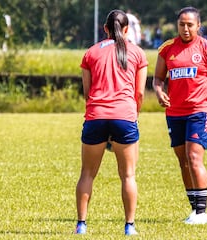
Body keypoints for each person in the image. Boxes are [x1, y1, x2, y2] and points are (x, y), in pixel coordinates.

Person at [153, 6, 207, 225]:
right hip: (174, 113)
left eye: (190, 25)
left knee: (194, 158)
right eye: (181, 24)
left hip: (199, 111)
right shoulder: (166, 49)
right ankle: (194, 210)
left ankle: (202, 213)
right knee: (183, 161)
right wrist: (159, 91)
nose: (185, 29)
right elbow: (157, 79)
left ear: (198, 26)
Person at [75, 9, 148, 235]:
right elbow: (140, 94)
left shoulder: (91, 52)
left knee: (87, 173)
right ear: (127, 29)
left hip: (96, 116)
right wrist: (132, 115)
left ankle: (81, 225)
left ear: (105, 29)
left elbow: (87, 93)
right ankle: (129, 226)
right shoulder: (137, 53)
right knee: (128, 175)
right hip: (124, 116)